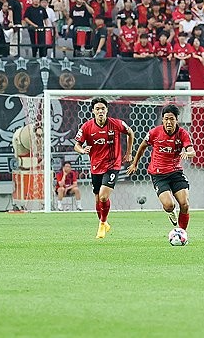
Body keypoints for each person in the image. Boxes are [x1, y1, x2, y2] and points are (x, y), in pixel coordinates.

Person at [126, 104, 195, 231]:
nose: (169, 122)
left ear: (176, 120)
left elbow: (192, 151)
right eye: (166, 119)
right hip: (159, 175)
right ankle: (171, 212)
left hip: (175, 173)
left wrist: (187, 153)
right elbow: (142, 146)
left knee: (185, 204)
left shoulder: (182, 134)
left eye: (172, 119)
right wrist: (135, 164)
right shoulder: (154, 132)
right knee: (169, 205)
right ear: (162, 120)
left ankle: (182, 233)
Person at [74, 97, 134, 239]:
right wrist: (82, 150)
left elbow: (130, 132)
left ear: (107, 110)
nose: (100, 111)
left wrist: (129, 152)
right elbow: (76, 145)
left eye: (103, 109)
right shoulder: (87, 127)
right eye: (97, 109)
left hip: (113, 165)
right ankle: (103, 222)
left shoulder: (116, 124)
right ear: (93, 111)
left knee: (103, 196)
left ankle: (102, 223)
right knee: (97, 199)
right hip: (96, 167)